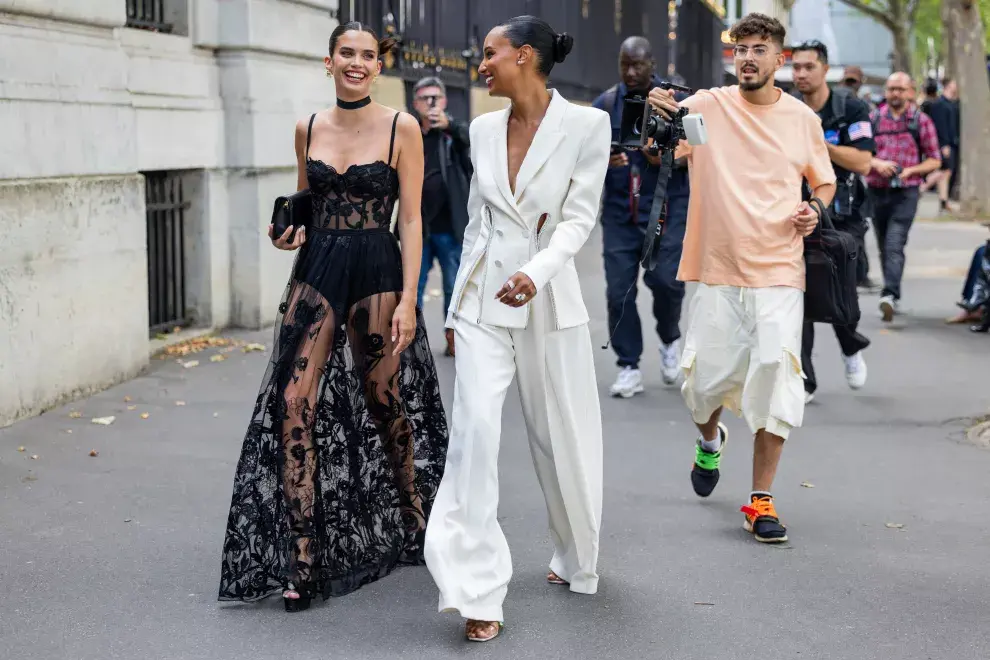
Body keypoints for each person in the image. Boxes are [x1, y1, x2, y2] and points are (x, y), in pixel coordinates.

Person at [218, 22, 449, 612]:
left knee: (383, 397)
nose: (357, 62)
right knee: (294, 399)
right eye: (347, 53)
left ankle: (412, 511)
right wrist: (287, 232)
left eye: (368, 56)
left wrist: (409, 297)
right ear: (329, 62)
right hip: (318, 270)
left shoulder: (403, 128)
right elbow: (304, 204)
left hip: (377, 268)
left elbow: (413, 220)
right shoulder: (308, 128)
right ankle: (304, 553)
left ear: (378, 66)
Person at [424, 15, 610, 643]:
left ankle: (574, 551)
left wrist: (537, 271)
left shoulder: (588, 125)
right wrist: (458, 304)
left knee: (558, 434)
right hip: (483, 304)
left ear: (524, 56)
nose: (481, 64)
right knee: (475, 430)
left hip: (547, 298)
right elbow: (479, 221)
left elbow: (578, 219)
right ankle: (476, 591)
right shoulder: (479, 129)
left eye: (489, 53)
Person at [648, 12, 836, 544]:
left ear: (779, 59)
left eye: (759, 49)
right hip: (715, 268)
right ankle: (710, 441)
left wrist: (814, 212)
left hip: (779, 267)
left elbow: (823, 185)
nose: (748, 58)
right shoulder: (706, 106)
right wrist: (656, 115)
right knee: (701, 385)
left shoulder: (802, 120)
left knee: (777, 378)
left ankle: (760, 500)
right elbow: (657, 149)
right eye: (741, 50)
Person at [593, 36, 691, 398]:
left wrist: (661, 155)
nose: (631, 72)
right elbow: (579, 157)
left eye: (639, 65)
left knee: (666, 282)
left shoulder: (676, 102)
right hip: (620, 212)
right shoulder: (604, 105)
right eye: (625, 65)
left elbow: (692, 154)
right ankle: (628, 365)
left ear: (653, 64)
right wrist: (602, 159)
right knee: (619, 292)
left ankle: (669, 338)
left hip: (666, 207)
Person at [792, 41, 874, 402]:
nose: (801, 74)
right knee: (799, 294)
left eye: (808, 67)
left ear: (826, 70)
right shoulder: (785, 107)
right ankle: (804, 379)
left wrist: (817, 145)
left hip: (844, 215)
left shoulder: (850, 107)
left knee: (840, 288)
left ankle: (850, 346)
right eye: (795, 67)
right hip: (799, 214)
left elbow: (863, 162)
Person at [867, 72, 942, 322]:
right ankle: (891, 291)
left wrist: (912, 170)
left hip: (906, 193)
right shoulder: (874, 118)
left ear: (910, 91)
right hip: (877, 190)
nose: (895, 94)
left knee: (894, 243)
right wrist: (877, 163)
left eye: (900, 89)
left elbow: (935, 159)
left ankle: (889, 294)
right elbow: (860, 154)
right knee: (882, 244)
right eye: (891, 89)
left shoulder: (920, 121)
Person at [409, 76, 473, 357]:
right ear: (415, 103)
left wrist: (451, 126)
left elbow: (473, 143)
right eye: (425, 98)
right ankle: (410, 339)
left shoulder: (455, 134)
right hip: (417, 228)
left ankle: (453, 337)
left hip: (450, 226)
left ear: (445, 101)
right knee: (413, 286)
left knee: (452, 286)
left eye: (436, 98)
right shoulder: (408, 134)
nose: (431, 104)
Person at [924, 78, 960, 213]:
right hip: (945, 143)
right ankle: (921, 187)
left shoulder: (952, 103)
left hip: (952, 142)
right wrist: (944, 144)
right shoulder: (939, 104)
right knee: (944, 170)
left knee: (947, 172)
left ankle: (944, 200)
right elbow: (939, 126)